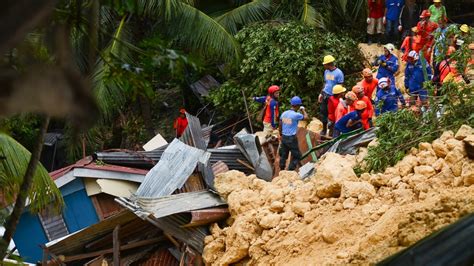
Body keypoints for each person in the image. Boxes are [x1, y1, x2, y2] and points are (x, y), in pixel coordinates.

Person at [279, 96, 308, 171]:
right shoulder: (296, 115)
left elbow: (280, 123)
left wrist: (281, 134)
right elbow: (306, 117)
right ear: (298, 106)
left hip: (284, 137)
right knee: (297, 156)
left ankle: (281, 168)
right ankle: (290, 170)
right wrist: (303, 110)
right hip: (291, 138)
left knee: (283, 155)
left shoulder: (284, 113)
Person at [319, 55, 344, 136]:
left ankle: (332, 131)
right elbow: (325, 83)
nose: (323, 66)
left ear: (328, 64)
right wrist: (321, 93)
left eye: (324, 64)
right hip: (325, 94)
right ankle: (324, 129)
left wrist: (339, 98)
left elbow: (340, 86)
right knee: (323, 112)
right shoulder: (326, 71)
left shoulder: (339, 73)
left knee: (332, 114)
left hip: (333, 96)